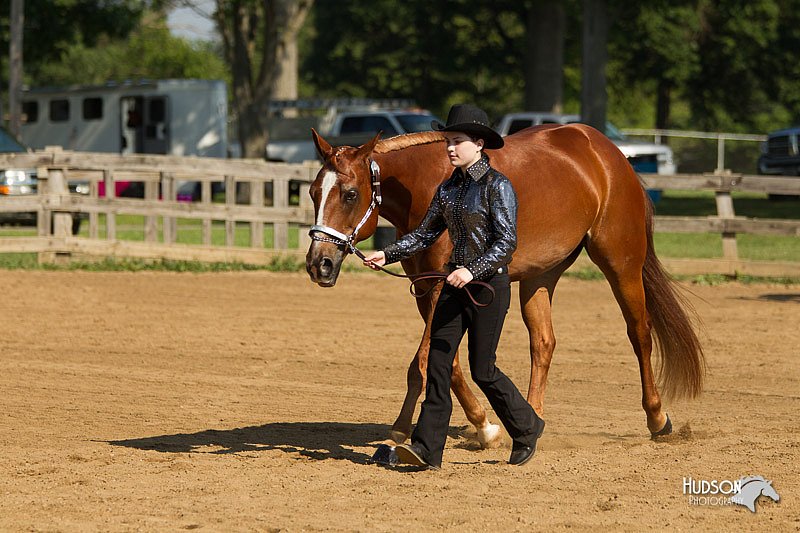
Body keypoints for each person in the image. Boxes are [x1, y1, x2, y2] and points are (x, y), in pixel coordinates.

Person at [362, 103, 545, 469]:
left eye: (457, 141)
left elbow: (506, 242)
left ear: (479, 144)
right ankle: (427, 449)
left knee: (484, 369)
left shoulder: (498, 186)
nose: (449, 147)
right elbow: (426, 232)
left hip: (488, 286)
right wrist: (389, 253)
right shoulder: (448, 189)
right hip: (452, 283)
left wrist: (472, 271)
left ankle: (527, 427)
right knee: (439, 366)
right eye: (447, 140)